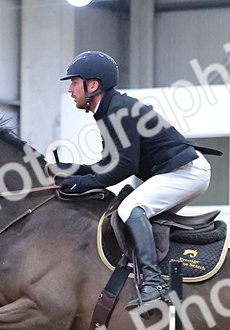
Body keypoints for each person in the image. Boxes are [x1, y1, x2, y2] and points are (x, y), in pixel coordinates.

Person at [55, 51, 214, 311]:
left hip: (186, 173)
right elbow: (108, 163)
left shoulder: (119, 111)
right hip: (179, 173)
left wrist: (83, 183)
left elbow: (123, 167)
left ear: (92, 85)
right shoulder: (110, 110)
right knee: (134, 212)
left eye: (74, 82)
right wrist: (75, 171)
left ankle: (152, 284)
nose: (71, 89)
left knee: (131, 209)